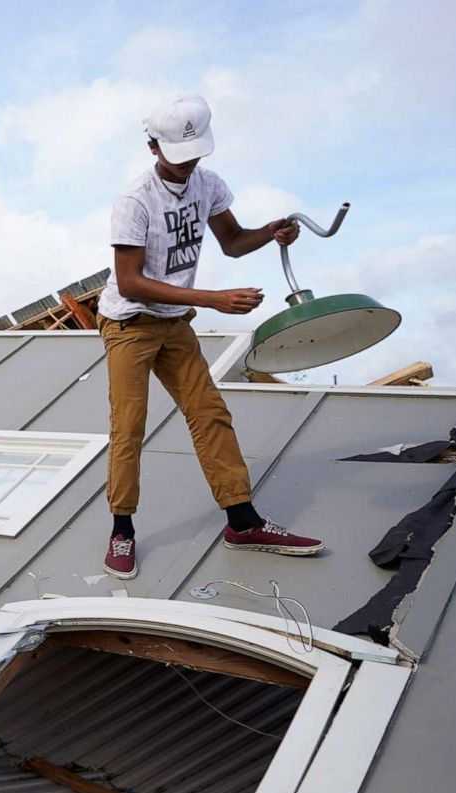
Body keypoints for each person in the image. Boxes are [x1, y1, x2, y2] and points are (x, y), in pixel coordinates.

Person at [98, 93, 323, 580]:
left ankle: (242, 522)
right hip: (129, 324)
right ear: (152, 146)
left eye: (194, 155)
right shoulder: (134, 203)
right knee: (129, 426)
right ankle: (122, 529)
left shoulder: (209, 185)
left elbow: (235, 243)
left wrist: (271, 231)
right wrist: (213, 299)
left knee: (209, 413)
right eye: (177, 157)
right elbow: (130, 280)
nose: (187, 166)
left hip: (174, 322)